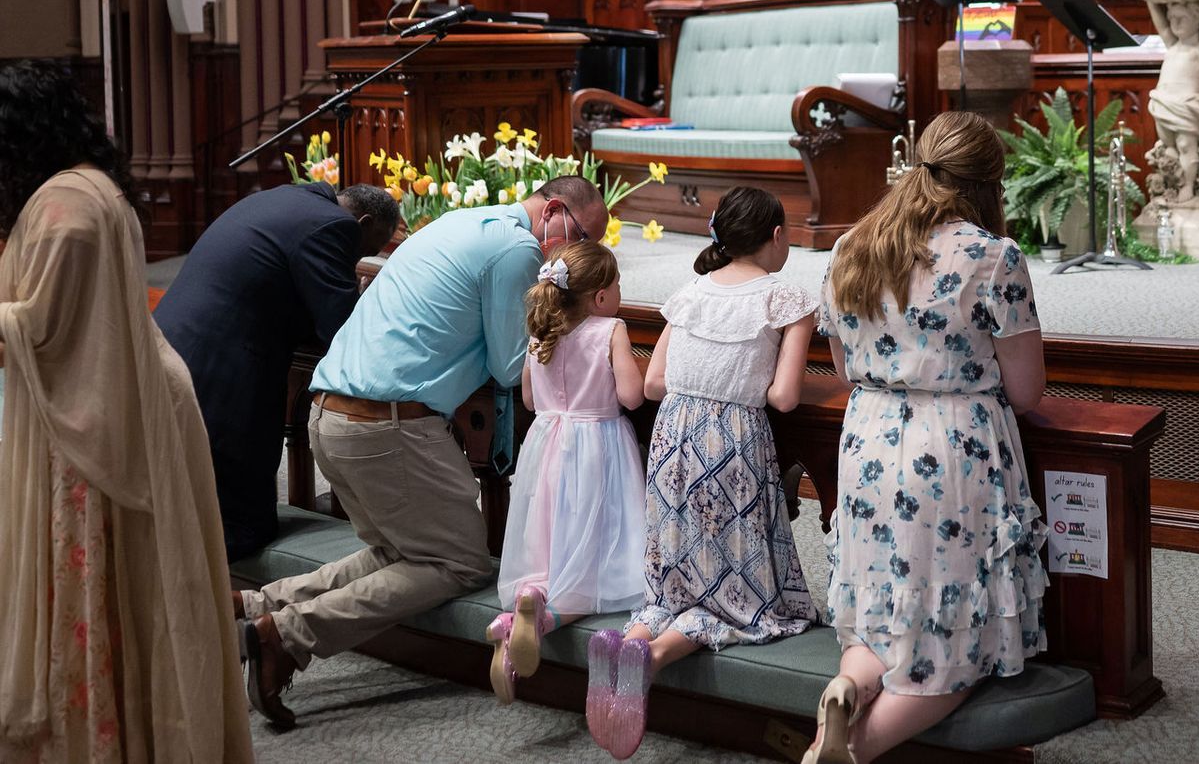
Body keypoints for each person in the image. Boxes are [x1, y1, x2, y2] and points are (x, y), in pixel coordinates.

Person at [237, 173, 608, 727]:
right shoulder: (516, 249)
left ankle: (255, 607)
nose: (580, 251)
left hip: (327, 415)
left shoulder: (464, 221)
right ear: (553, 210)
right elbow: (512, 365)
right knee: (459, 563)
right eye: (582, 236)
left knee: (401, 554)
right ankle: (285, 636)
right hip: (385, 428)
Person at [0, 60, 254, 761]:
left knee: (107, 586)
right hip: (121, 392)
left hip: (99, 412)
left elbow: (39, 327)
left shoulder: (63, 207)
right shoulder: (88, 185)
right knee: (138, 588)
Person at [804, 112, 1047, 764]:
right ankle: (854, 749)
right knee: (949, 647)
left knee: (881, 601)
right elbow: (1027, 391)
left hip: (869, 438)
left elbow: (845, 366)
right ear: (988, 183)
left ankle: (850, 685)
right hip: (952, 449)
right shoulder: (993, 257)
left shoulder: (851, 245)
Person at [591, 187, 817, 758]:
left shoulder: (689, 293)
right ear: (777, 236)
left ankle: (634, 636)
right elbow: (785, 398)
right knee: (739, 599)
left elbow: (652, 384)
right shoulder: (787, 299)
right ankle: (655, 656)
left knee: (674, 572)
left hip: (673, 435)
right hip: (731, 438)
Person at [157, 179, 399, 562]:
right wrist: (364, 299)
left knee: (185, 489)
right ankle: (220, 593)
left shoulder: (284, 197)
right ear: (363, 223)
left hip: (174, 344)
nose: (360, 257)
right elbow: (340, 328)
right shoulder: (335, 225)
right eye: (367, 249)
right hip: (222, 368)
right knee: (240, 520)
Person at [489, 239, 649, 707]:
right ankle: (542, 619)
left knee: (550, 537)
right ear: (600, 296)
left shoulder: (540, 332)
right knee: (595, 551)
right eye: (617, 286)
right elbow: (633, 395)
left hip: (547, 445)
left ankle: (523, 605)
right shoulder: (611, 329)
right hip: (598, 445)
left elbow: (529, 399)